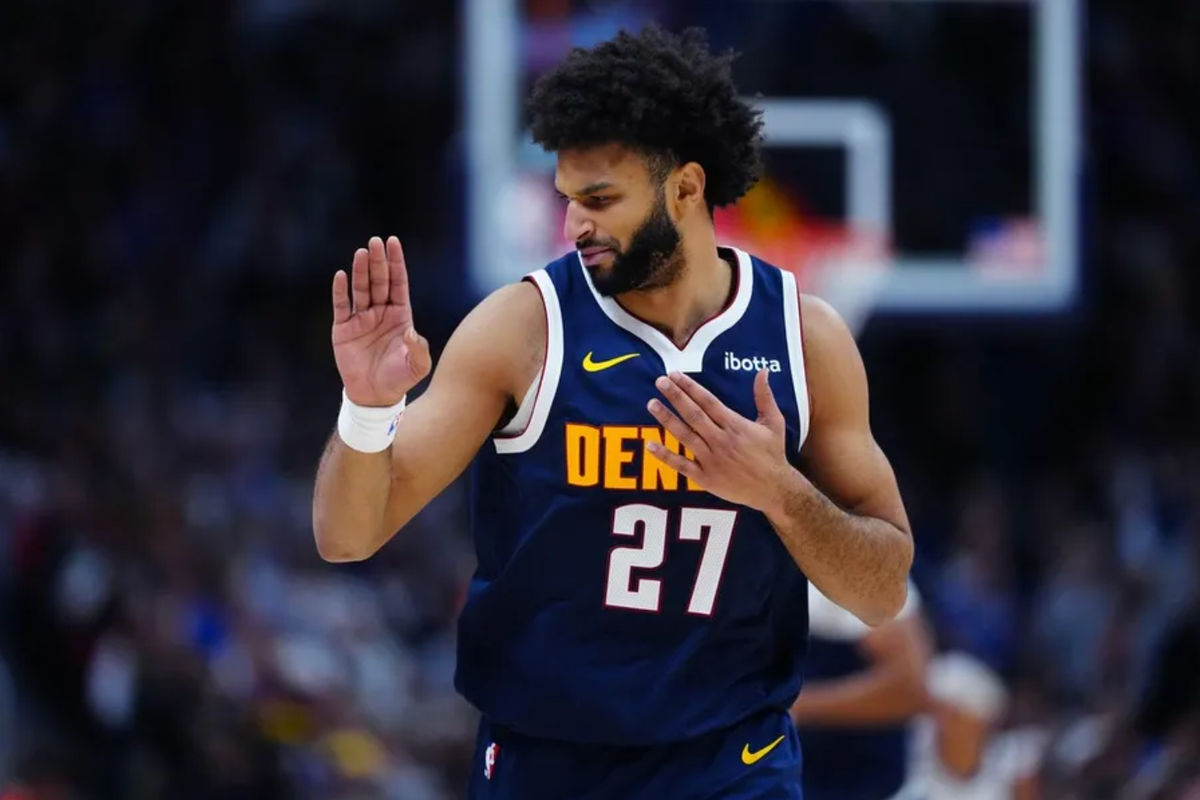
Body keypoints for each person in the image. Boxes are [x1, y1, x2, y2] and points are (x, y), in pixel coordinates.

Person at [312, 26, 913, 799]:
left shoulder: (806, 339)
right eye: (568, 200)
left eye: (600, 200)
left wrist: (779, 494)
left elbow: (884, 589)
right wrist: (368, 408)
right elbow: (346, 536)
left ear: (687, 189)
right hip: (549, 762)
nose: (575, 226)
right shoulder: (524, 329)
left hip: (732, 762)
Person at [791, 581, 930, 800]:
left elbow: (908, 689)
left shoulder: (849, 564)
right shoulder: (727, 563)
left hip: (860, 784)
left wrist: (796, 703)